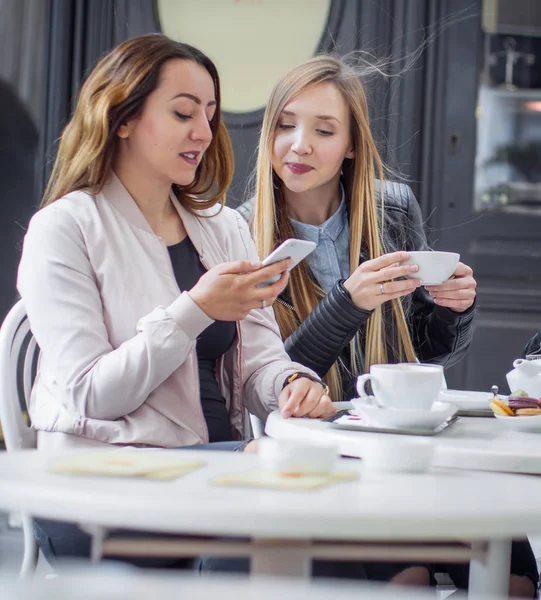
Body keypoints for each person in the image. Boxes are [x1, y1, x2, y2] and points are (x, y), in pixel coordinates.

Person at [16, 33, 334, 565]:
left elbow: (259, 362)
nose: (204, 132)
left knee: (383, 555)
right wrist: (196, 310)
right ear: (122, 117)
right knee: (292, 512)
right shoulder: (63, 229)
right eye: (185, 112)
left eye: (210, 114)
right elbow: (91, 394)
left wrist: (291, 385)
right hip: (97, 483)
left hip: (219, 467)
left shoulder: (224, 227)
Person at [237, 54, 537, 596]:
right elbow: (269, 381)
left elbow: (421, 358)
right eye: (285, 124)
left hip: (408, 449)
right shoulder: (240, 233)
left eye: (323, 129)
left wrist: (451, 310)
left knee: (512, 565)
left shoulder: (391, 209)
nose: (298, 144)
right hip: (321, 462)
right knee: (409, 576)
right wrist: (347, 303)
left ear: (352, 144)